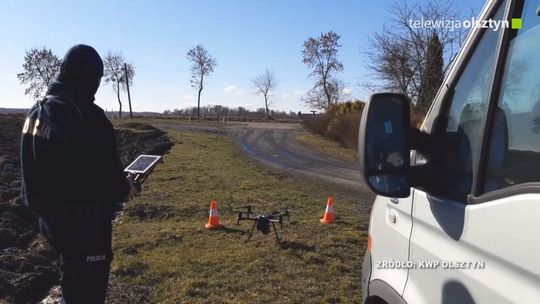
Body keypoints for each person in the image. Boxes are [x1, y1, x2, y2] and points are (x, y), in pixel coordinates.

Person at [20, 44, 138, 303]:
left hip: (52, 223)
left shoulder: (36, 112)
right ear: (92, 78)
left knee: (72, 279)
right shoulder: (87, 116)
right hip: (84, 227)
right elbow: (106, 174)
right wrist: (125, 187)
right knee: (87, 292)